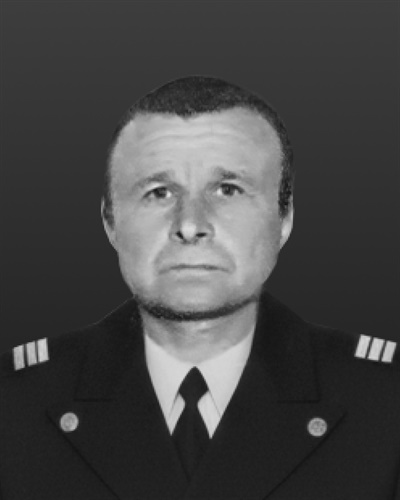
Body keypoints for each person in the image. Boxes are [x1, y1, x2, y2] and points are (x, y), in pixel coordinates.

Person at [0, 76, 399, 500]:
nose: (190, 225)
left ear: (284, 220)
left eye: (228, 190)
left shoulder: (385, 402)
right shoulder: (13, 404)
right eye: (159, 192)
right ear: (110, 221)